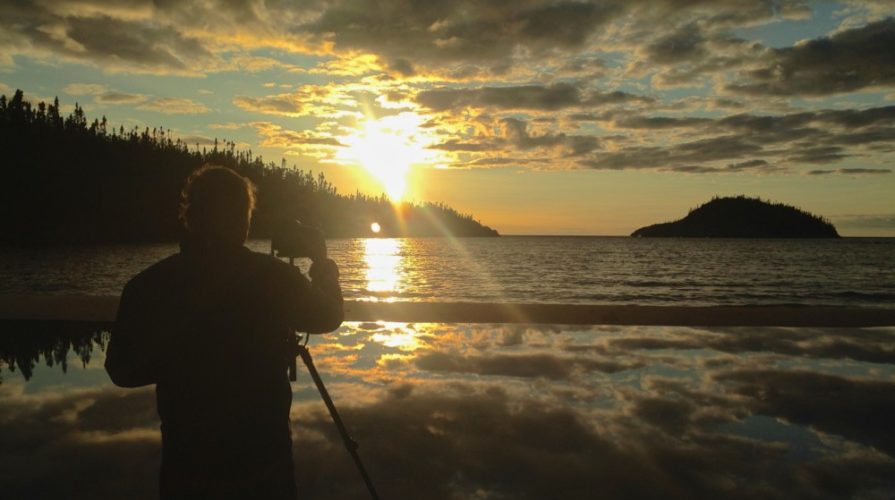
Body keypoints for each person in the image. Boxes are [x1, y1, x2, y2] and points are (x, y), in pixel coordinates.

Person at [105, 165, 343, 499]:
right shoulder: (274, 278)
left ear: (190, 216)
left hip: (186, 467)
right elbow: (329, 315)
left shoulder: (148, 285)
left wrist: (181, 362)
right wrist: (323, 265)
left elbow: (122, 370)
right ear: (243, 220)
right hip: (264, 465)